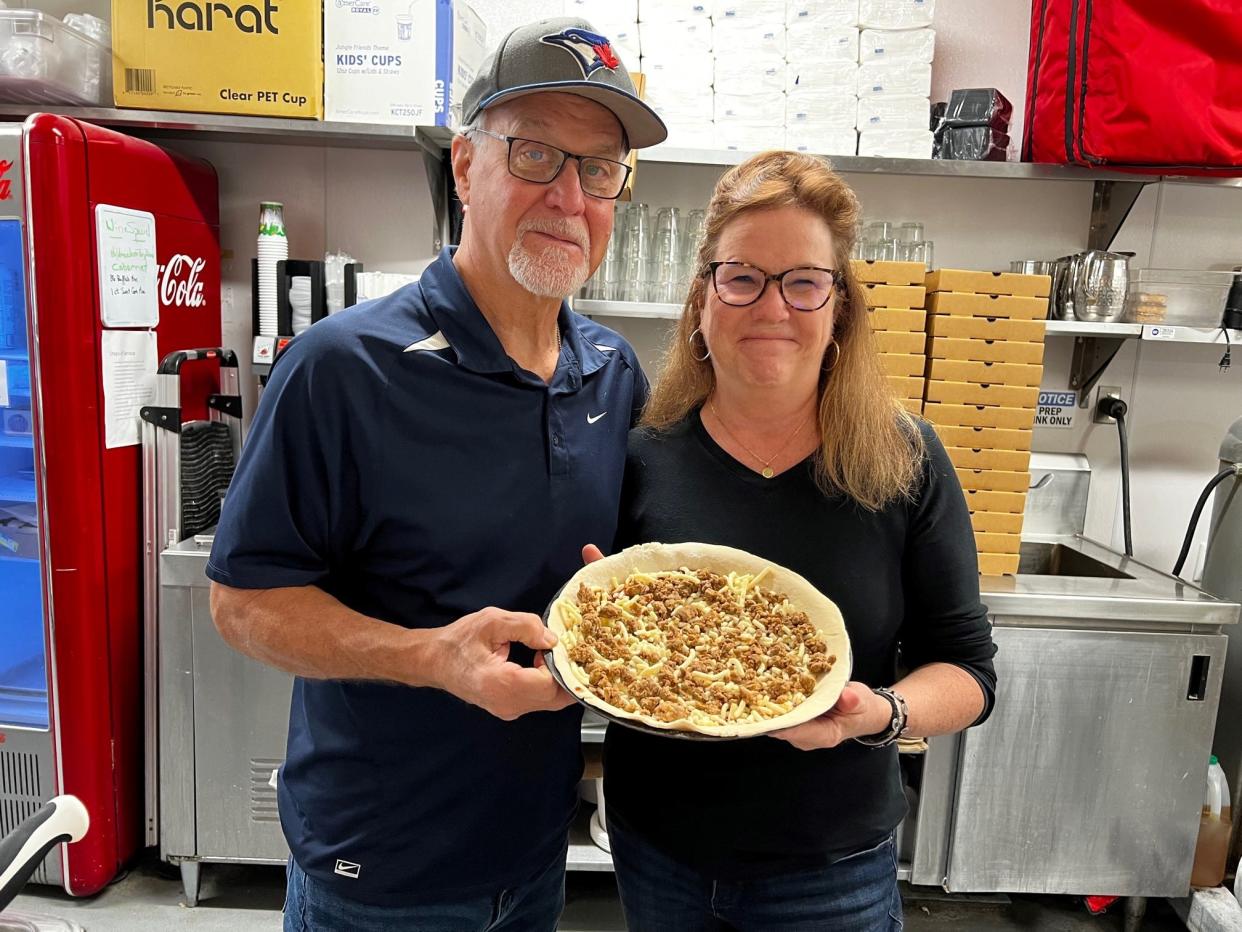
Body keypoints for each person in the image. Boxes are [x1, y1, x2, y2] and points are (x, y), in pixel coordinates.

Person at [206, 18, 665, 932]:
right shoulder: (344, 368)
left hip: (536, 851)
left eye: (600, 168)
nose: (570, 197)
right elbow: (244, 603)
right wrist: (431, 659)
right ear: (465, 167)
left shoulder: (613, 372)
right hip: (376, 868)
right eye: (536, 154)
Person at [595, 150, 998, 931]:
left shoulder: (905, 461)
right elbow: (589, 639)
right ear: (702, 300)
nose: (771, 306)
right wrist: (593, 626)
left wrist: (872, 713)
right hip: (660, 854)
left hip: (832, 870)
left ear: (840, 307)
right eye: (742, 276)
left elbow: (969, 672)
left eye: (804, 281)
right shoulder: (638, 459)